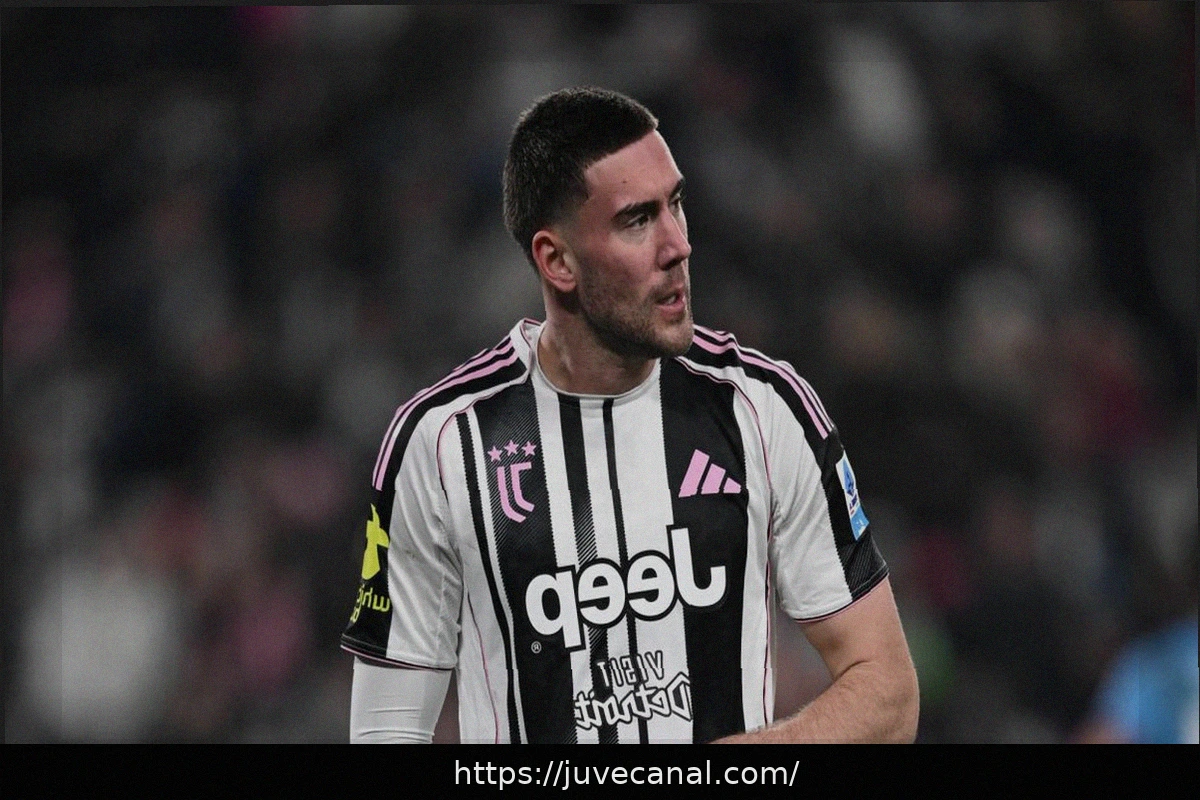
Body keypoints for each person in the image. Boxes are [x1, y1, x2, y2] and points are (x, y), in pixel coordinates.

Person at [341, 87, 919, 743]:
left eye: (676, 204)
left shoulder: (764, 409)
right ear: (557, 261)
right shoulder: (441, 444)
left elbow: (888, 694)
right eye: (637, 221)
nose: (678, 245)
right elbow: (386, 731)